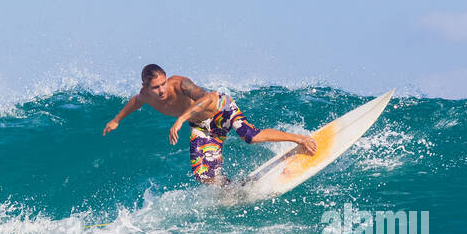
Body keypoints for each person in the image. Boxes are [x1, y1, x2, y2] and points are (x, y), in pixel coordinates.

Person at [103, 64, 317, 184]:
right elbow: (135, 102)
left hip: (220, 109)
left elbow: (206, 97)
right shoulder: (145, 95)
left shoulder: (181, 84)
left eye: (163, 84)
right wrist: (116, 120)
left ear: (167, 78)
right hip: (203, 127)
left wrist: (180, 119)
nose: (161, 90)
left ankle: (301, 139)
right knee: (205, 176)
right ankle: (235, 188)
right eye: (155, 87)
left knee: (250, 136)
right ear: (146, 86)